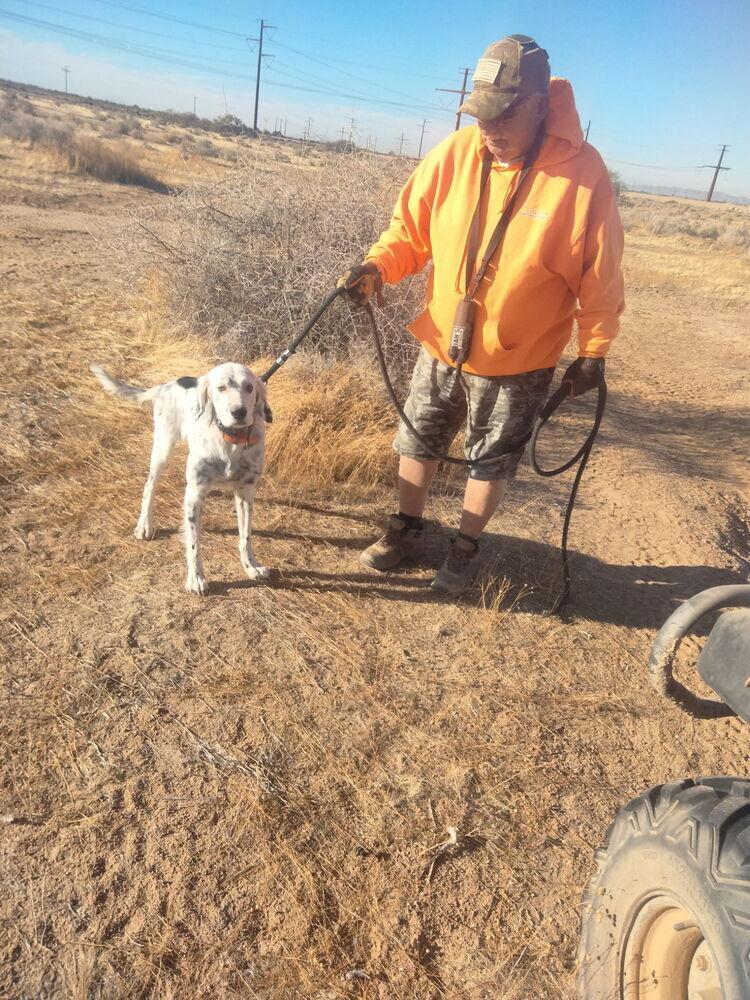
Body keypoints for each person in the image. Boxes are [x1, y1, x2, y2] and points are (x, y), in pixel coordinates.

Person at [339, 34, 624, 594]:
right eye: (480, 114)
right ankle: (405, 528)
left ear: (538, 105)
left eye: (502, 115)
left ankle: (465, 546)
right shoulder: (455, 153)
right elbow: (408, 232)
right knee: (417, 439)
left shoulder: (583, 173)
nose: (489, 128)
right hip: (441, 342)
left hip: (519, 357)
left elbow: (600, 272)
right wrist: (376, 267)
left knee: (490, 460)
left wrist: (594, 351)